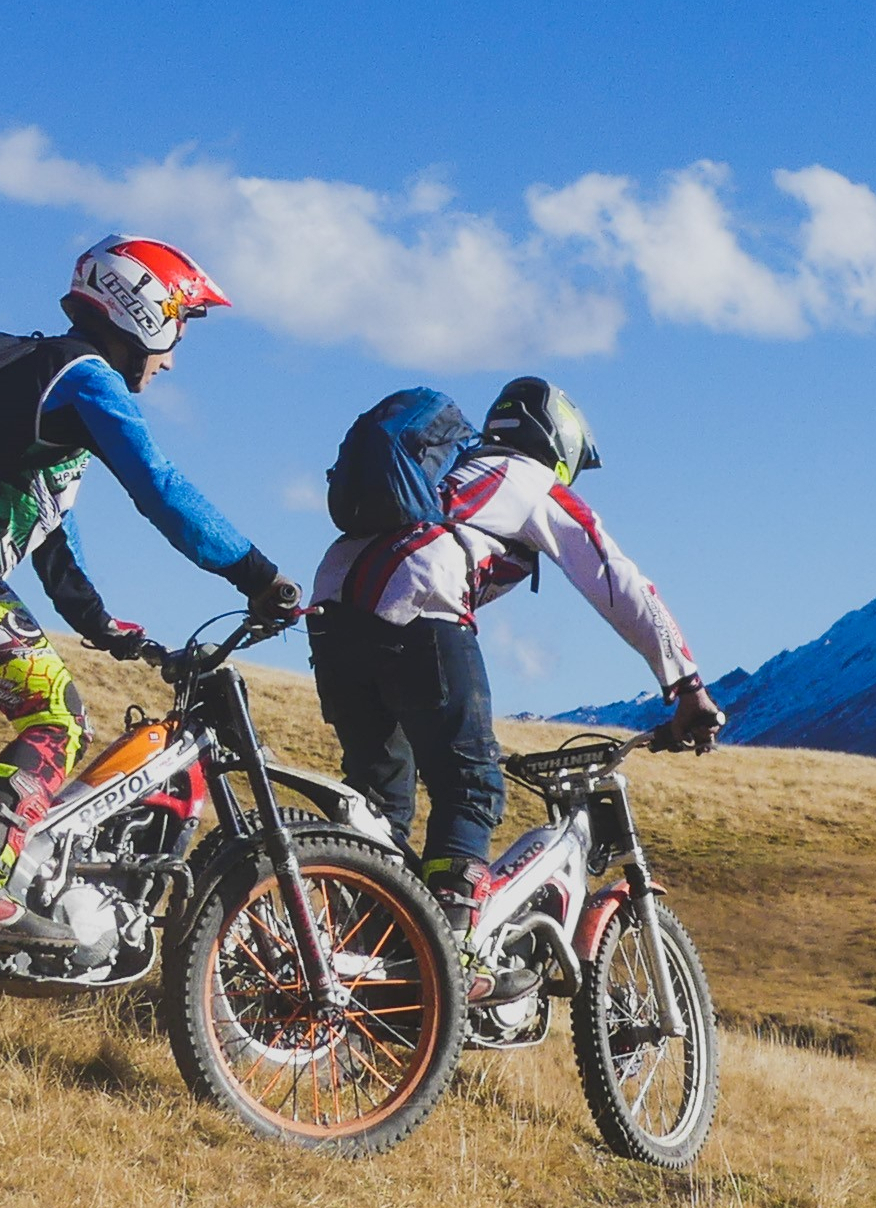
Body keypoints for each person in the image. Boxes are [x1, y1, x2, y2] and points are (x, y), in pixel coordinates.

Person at [0, 235, 302, 948]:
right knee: (57, 712)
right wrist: (258, 574)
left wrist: (102, 622)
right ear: (144, 310)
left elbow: (48, 529)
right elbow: (161, 489)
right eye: (177, 328)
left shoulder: (40, 382)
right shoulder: (85, 375)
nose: (173, 356)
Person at [309, 376, 725, 989]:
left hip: (331, 611)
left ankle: (364, 958)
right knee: (471, 786)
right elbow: (618, 580)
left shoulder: (439, 477)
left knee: (381, 805)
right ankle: (451, 956)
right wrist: (685, 685)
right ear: (560, 446)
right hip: (419, 602)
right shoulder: (526, 480)